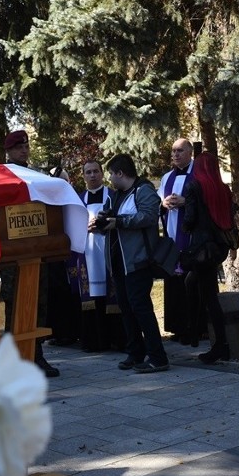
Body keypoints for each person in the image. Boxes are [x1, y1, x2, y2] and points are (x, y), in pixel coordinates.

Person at [91, 153, 170, 373]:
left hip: (138, 261)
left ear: (120, 173)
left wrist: (119, 222)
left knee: (141, 308)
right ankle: (135, 353)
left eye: (110, 174)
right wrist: (100, 222)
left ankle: (158, 357)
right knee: (127, 309)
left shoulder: (144, 191)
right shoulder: (115, 195)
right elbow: (111, 218)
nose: (109, 179)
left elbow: (147, 217)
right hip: (118, 262)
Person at [0, 129, 59, 377]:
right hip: (13, 252)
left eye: (26, 146)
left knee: (38, 303)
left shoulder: (37, 176)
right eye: (18, 147)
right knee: (15, 304)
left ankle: (36, 355)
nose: (24, 150)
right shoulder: (1, 176)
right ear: (8, 151)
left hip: (36, 249)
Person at [180, 151, 234, 364]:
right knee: (194, 284)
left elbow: (190, 218)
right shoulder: (223, 188)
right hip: (218, 247)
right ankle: (199, 334)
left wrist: (184, 226)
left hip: (202, 249)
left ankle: (219, 345)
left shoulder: (194, 186)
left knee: (209, 297)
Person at [78, 159, 125, 352]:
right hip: (87, 253)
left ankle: (118, 339)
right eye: (88, 172)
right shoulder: (78, 200)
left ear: (102, 173)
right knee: (92, 296)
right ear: (84, 176)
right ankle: (95, 341)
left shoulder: (112, 196)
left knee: (112, 293)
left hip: (108, 249)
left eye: (95, 171)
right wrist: (84, 227)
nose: (92, 175)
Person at [158, 138, 196, 344]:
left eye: (180, 150)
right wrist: (163, 203)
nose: (175, 154)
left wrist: (186, 201)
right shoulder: (166, 177)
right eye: (173, 151)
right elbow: (158, 202)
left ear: (190, 152)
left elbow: (205, 199)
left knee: (191, 281)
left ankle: (195, 327)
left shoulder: (198, 174)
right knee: (174, 281)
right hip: (172, 236)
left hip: (192, 238)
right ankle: (177, 326)